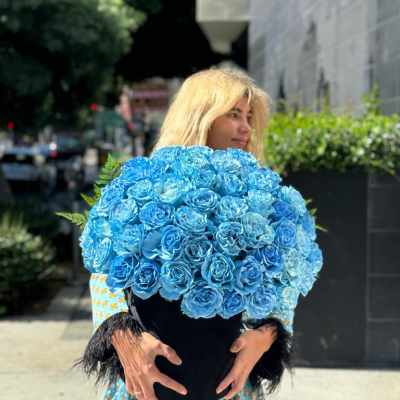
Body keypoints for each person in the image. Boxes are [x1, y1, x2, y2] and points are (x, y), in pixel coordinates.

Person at [83, 68, 293, 400]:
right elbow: (104, 271)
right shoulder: (147, 187)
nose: (245, 127)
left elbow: (284, 278)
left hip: (230, 384)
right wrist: (122, 336)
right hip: (148, 382)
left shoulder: (262, 199)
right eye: (234, 114)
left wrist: (266, 335)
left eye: (249, 117)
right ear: (201, 116)